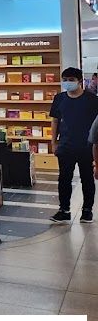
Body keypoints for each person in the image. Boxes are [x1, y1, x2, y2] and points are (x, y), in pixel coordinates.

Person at [50, 68, 98, 223]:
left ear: (80, 81)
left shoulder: (92, 100)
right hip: (65, 146)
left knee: (87, 179)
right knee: (64, 179)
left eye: (71, 80)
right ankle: (64, 210)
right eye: (65, 79)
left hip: (86, 146)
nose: (67, 82)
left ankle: (87, 211)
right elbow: (55, 121)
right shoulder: (59, 98)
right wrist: (53, 142)